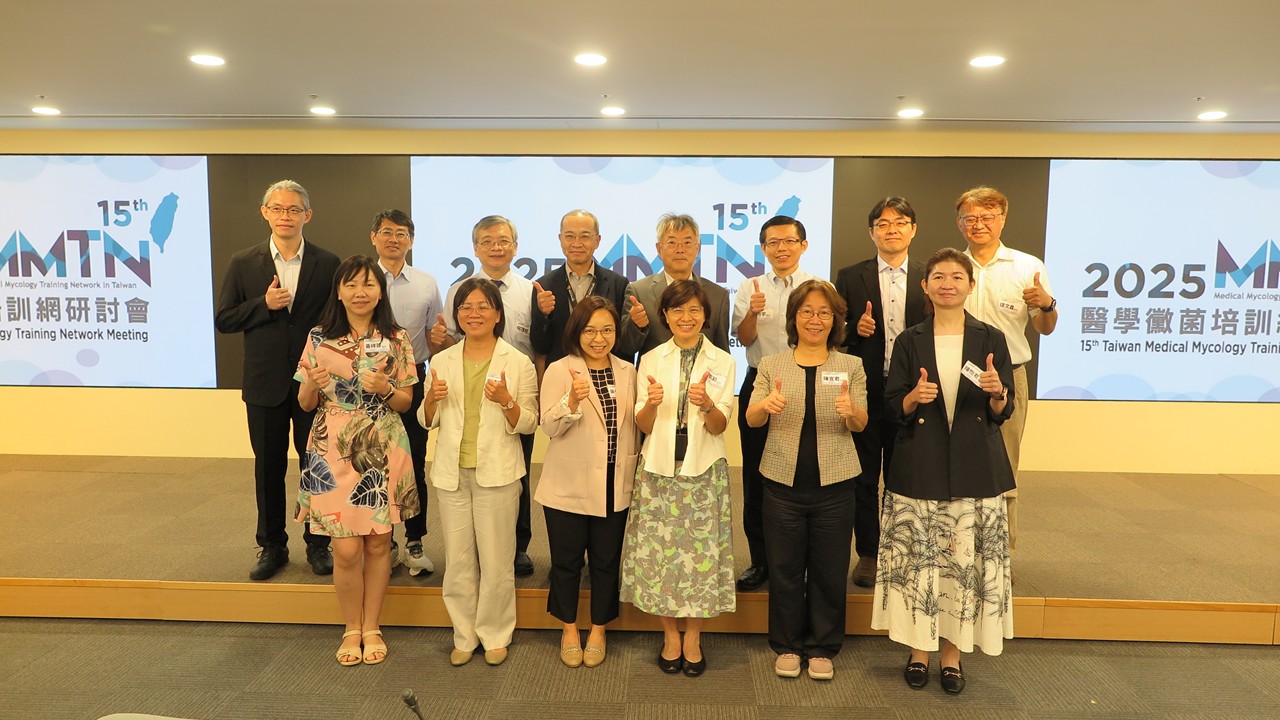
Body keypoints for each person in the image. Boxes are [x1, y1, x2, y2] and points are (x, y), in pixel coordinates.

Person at [872, 247, 1016, 695]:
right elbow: (892, 406)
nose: (947, 284)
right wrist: (912, 398)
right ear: (925, 286)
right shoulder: (909, 339)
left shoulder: (991, 338)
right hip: (921, 465)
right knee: (920, 562)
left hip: (975, 468)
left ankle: (952, 655)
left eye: (956, 276)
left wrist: (997, 393)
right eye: (938, 276)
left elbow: (1003, 408)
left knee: (962, 564)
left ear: (970, 285)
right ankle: (918, 650)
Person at [294, 254, 419, 666]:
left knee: (380, 542)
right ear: (339, 291)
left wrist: (385, 387)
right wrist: (312, 385)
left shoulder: (397, 338)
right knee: (346, 549)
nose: (359, 292)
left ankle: (371, 626)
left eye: (368, 284)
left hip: (383, 446)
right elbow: (305, 402)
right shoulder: (318, 337)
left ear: (380, 291)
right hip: (332, 448)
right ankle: (351, 626)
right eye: (351, 285)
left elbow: (405, 402)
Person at [215, 179, 340, 581]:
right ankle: (272, 545)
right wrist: (263, 304)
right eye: (278, 208)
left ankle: (318, 543)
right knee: (268, 467)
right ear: (265, 213)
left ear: (308, 215)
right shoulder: (243, 262)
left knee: (316, 464)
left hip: (312, 383)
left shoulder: (328, 262)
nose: (286, 216)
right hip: (264, 382)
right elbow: (224, 319)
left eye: (294, 209)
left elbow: (336, 320)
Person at [746, 277, 868, 680]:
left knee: (829, 570)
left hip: (835, 485)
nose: (815, 320)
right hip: (782, 483)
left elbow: (862, 423)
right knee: (784, 568)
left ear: (835, 321)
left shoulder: (851, 366)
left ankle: (821, 647)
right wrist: (765, 405)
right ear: (793, 318)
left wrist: (852, 412)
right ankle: (786, 645)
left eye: (824, 313)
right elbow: (751, 419)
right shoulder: (772, 365)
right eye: (807, 312)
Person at [620, 280, 736, 678]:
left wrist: (707, 406)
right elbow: (643, 424)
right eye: (677, 311)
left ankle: (694, 637)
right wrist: (651, 405)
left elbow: (720, 426)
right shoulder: (651, 358)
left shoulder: (723, 361)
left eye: (694, 311)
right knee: (660, 557)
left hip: (704, 469)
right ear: (665, 317)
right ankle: (670, 635)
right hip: (659, 469)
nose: (686, 318)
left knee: (702, 557)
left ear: (705, 316)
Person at [420, 276, 537, 668]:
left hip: (498, 474)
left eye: (483, 306)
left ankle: (495, 634)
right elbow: (426, 419)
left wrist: (506, 401)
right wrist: (431, 401)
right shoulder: (441, 361)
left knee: (497, 561)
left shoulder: (517, 362)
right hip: (452, 473)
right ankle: (464, 634)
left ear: (498, 314)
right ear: (457, 315)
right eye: (466, 307)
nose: (474, 314)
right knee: (458, 561)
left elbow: (529, 422)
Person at [536, 296, 639, 669]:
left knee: (606, 561)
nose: (599, 338)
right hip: (569, 485)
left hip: (614, 482)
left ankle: (598, 628)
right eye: (591, 330)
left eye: (607, 330)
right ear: (577, 331)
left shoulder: (628, 371)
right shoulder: (559, 369)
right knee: (566, 562)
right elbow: (548, 427)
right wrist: (571, 403)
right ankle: (568, 628)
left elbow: (635, 425)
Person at [955, 187, 1057, 558]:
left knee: (1004, 466)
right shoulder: (951, 267)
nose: (978, 224)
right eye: (970, 218)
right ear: (959, 223)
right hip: (956, 376)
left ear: (1003, 219)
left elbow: (1045, 327)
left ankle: (1000, 556)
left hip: (1009, 376)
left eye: (987, 217)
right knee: (957, 463)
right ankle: (959, 551)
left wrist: (1047, 304)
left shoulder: (1027, 266)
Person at [436, 216, 539, 578]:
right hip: (467, 392)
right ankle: (475, 548)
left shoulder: (531, 290)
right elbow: (452, 341)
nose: (496, 247)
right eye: (487, 241)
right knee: (467, 474)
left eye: (503, 240)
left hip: (514, 394)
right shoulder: (457, 291)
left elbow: (538, 344)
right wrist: (439, 343)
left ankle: (517, 546)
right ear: (475, 248)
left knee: (515, 474)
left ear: (515, 247)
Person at [834, 197, 927, 587]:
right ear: (871, 232)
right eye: (883, 224)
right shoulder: (849, 276)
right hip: (866, 392)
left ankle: (903, 552)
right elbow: (835, 331)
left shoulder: (928, 275)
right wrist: (855, 330)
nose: (892, 230)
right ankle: (870, 554)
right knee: (864, 478)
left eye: (900, 222)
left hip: (912, 392)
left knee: (906, 477)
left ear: (913, 230)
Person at [731, 215, 816, 593]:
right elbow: (744, 338)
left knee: (805, 473)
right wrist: (752, 312)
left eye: (789, 241)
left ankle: (802, 562)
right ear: (763, 248)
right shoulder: (749, 286)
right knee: (756, 475)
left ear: (803, 245)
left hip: (808, 382)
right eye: (773, 243)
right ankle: (760, 560)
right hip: (760, 382)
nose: (782, 248)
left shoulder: (818, 287)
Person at [370, 209, 446, 577]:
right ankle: (382, 540)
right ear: (374, 238)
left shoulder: (427, 283)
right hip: (366, 381)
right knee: (371, 462)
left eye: (401, 233)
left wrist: (439, 341)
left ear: (411, 241)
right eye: (386, 232)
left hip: (412, 379)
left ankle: (415, 541)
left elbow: (437, 336)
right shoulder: (361, 280)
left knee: (413, 462)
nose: (394, 239)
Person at [529, 209, 630, 376]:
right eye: (569, 236)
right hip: (562, 375)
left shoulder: (618, 283)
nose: (576, 243)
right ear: (560, 239)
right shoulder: (544, 286)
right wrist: (542, 315)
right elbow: (540, 346)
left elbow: (622, 343)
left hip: (606, 374)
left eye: (585, 236)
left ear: (597, 240)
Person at [617, 213, 731, 358]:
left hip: (703, 373)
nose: (680, 249)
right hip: (653, 372)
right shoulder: (638, 291)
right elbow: (626, 348)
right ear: (659, 249)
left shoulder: (718, 296)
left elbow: (722, 354)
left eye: (687, 243)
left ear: (697, 248)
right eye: (672, 243)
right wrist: (636, 325)